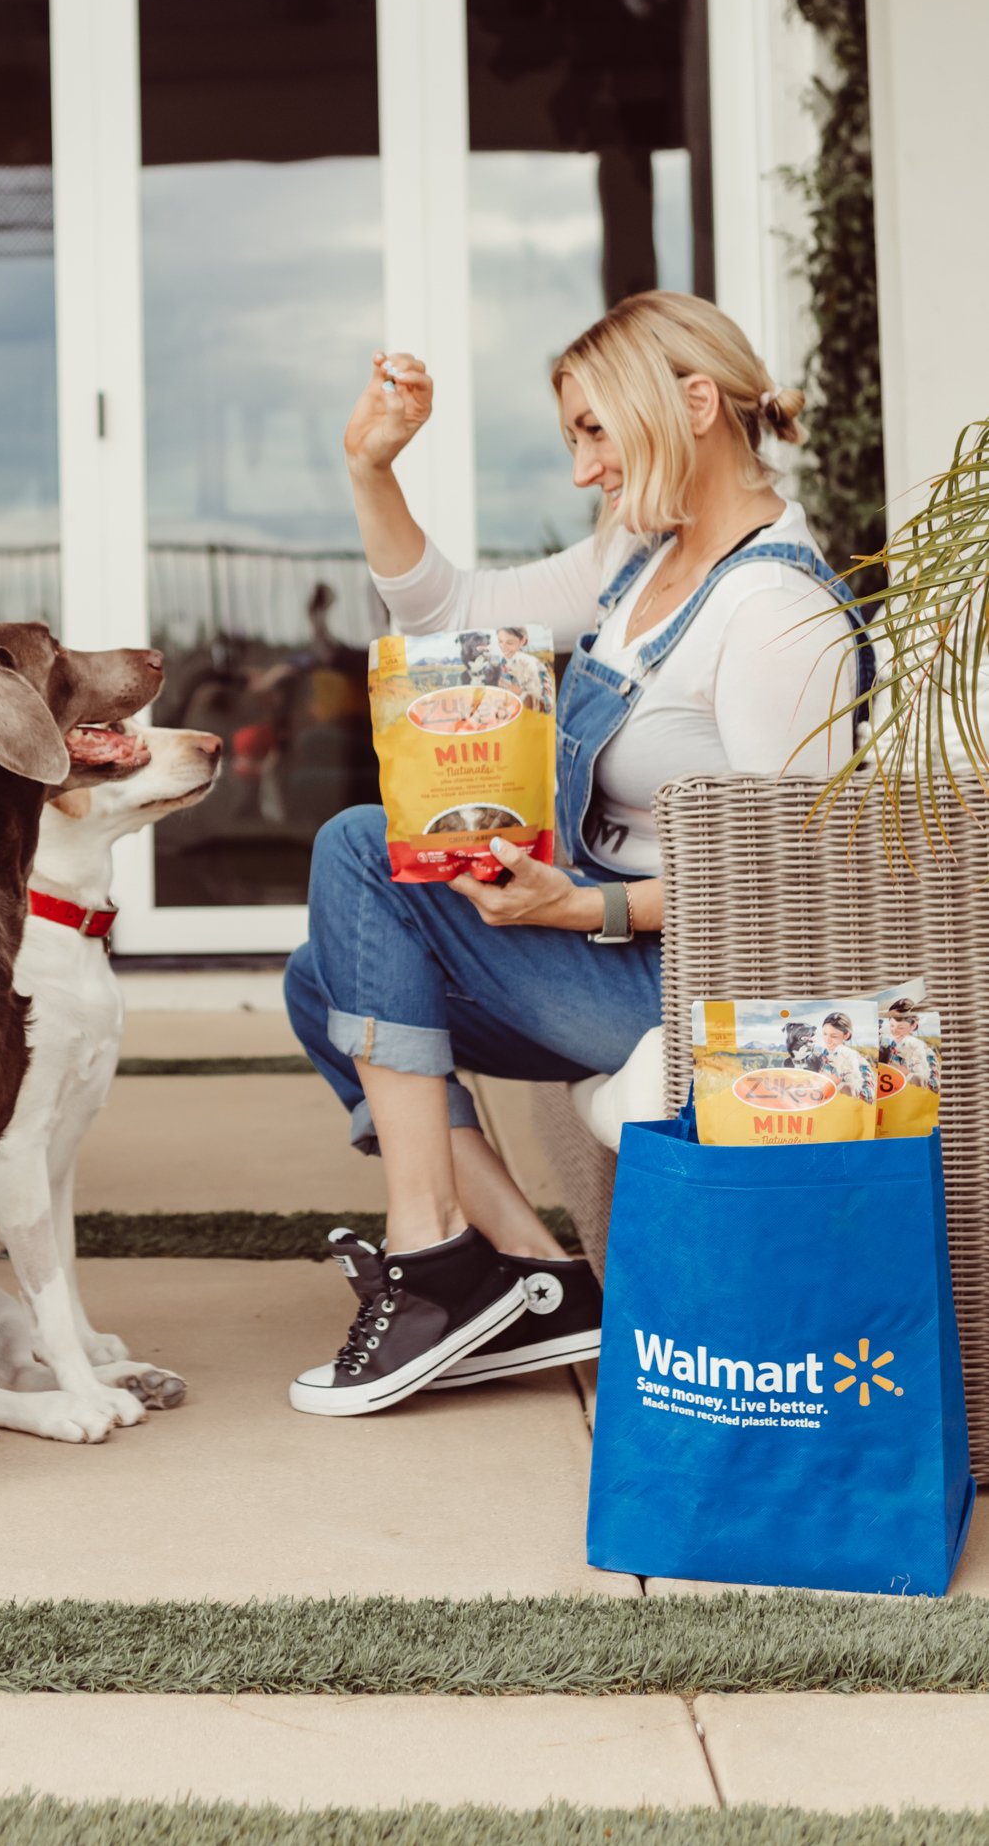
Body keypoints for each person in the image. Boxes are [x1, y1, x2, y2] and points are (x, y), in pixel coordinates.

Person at [284, 290, 871, 1416]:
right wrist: (371, 471)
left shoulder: (773, 614)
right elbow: (448, 610)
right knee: (321, 981)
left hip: (699, 985)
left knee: (360, 848)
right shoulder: (637, 559)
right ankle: (531, 1277)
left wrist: (582, 913)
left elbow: (782, 886)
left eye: (594, 432)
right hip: (608, 953)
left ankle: (426, 1264)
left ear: (694, 404)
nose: (581, 470)